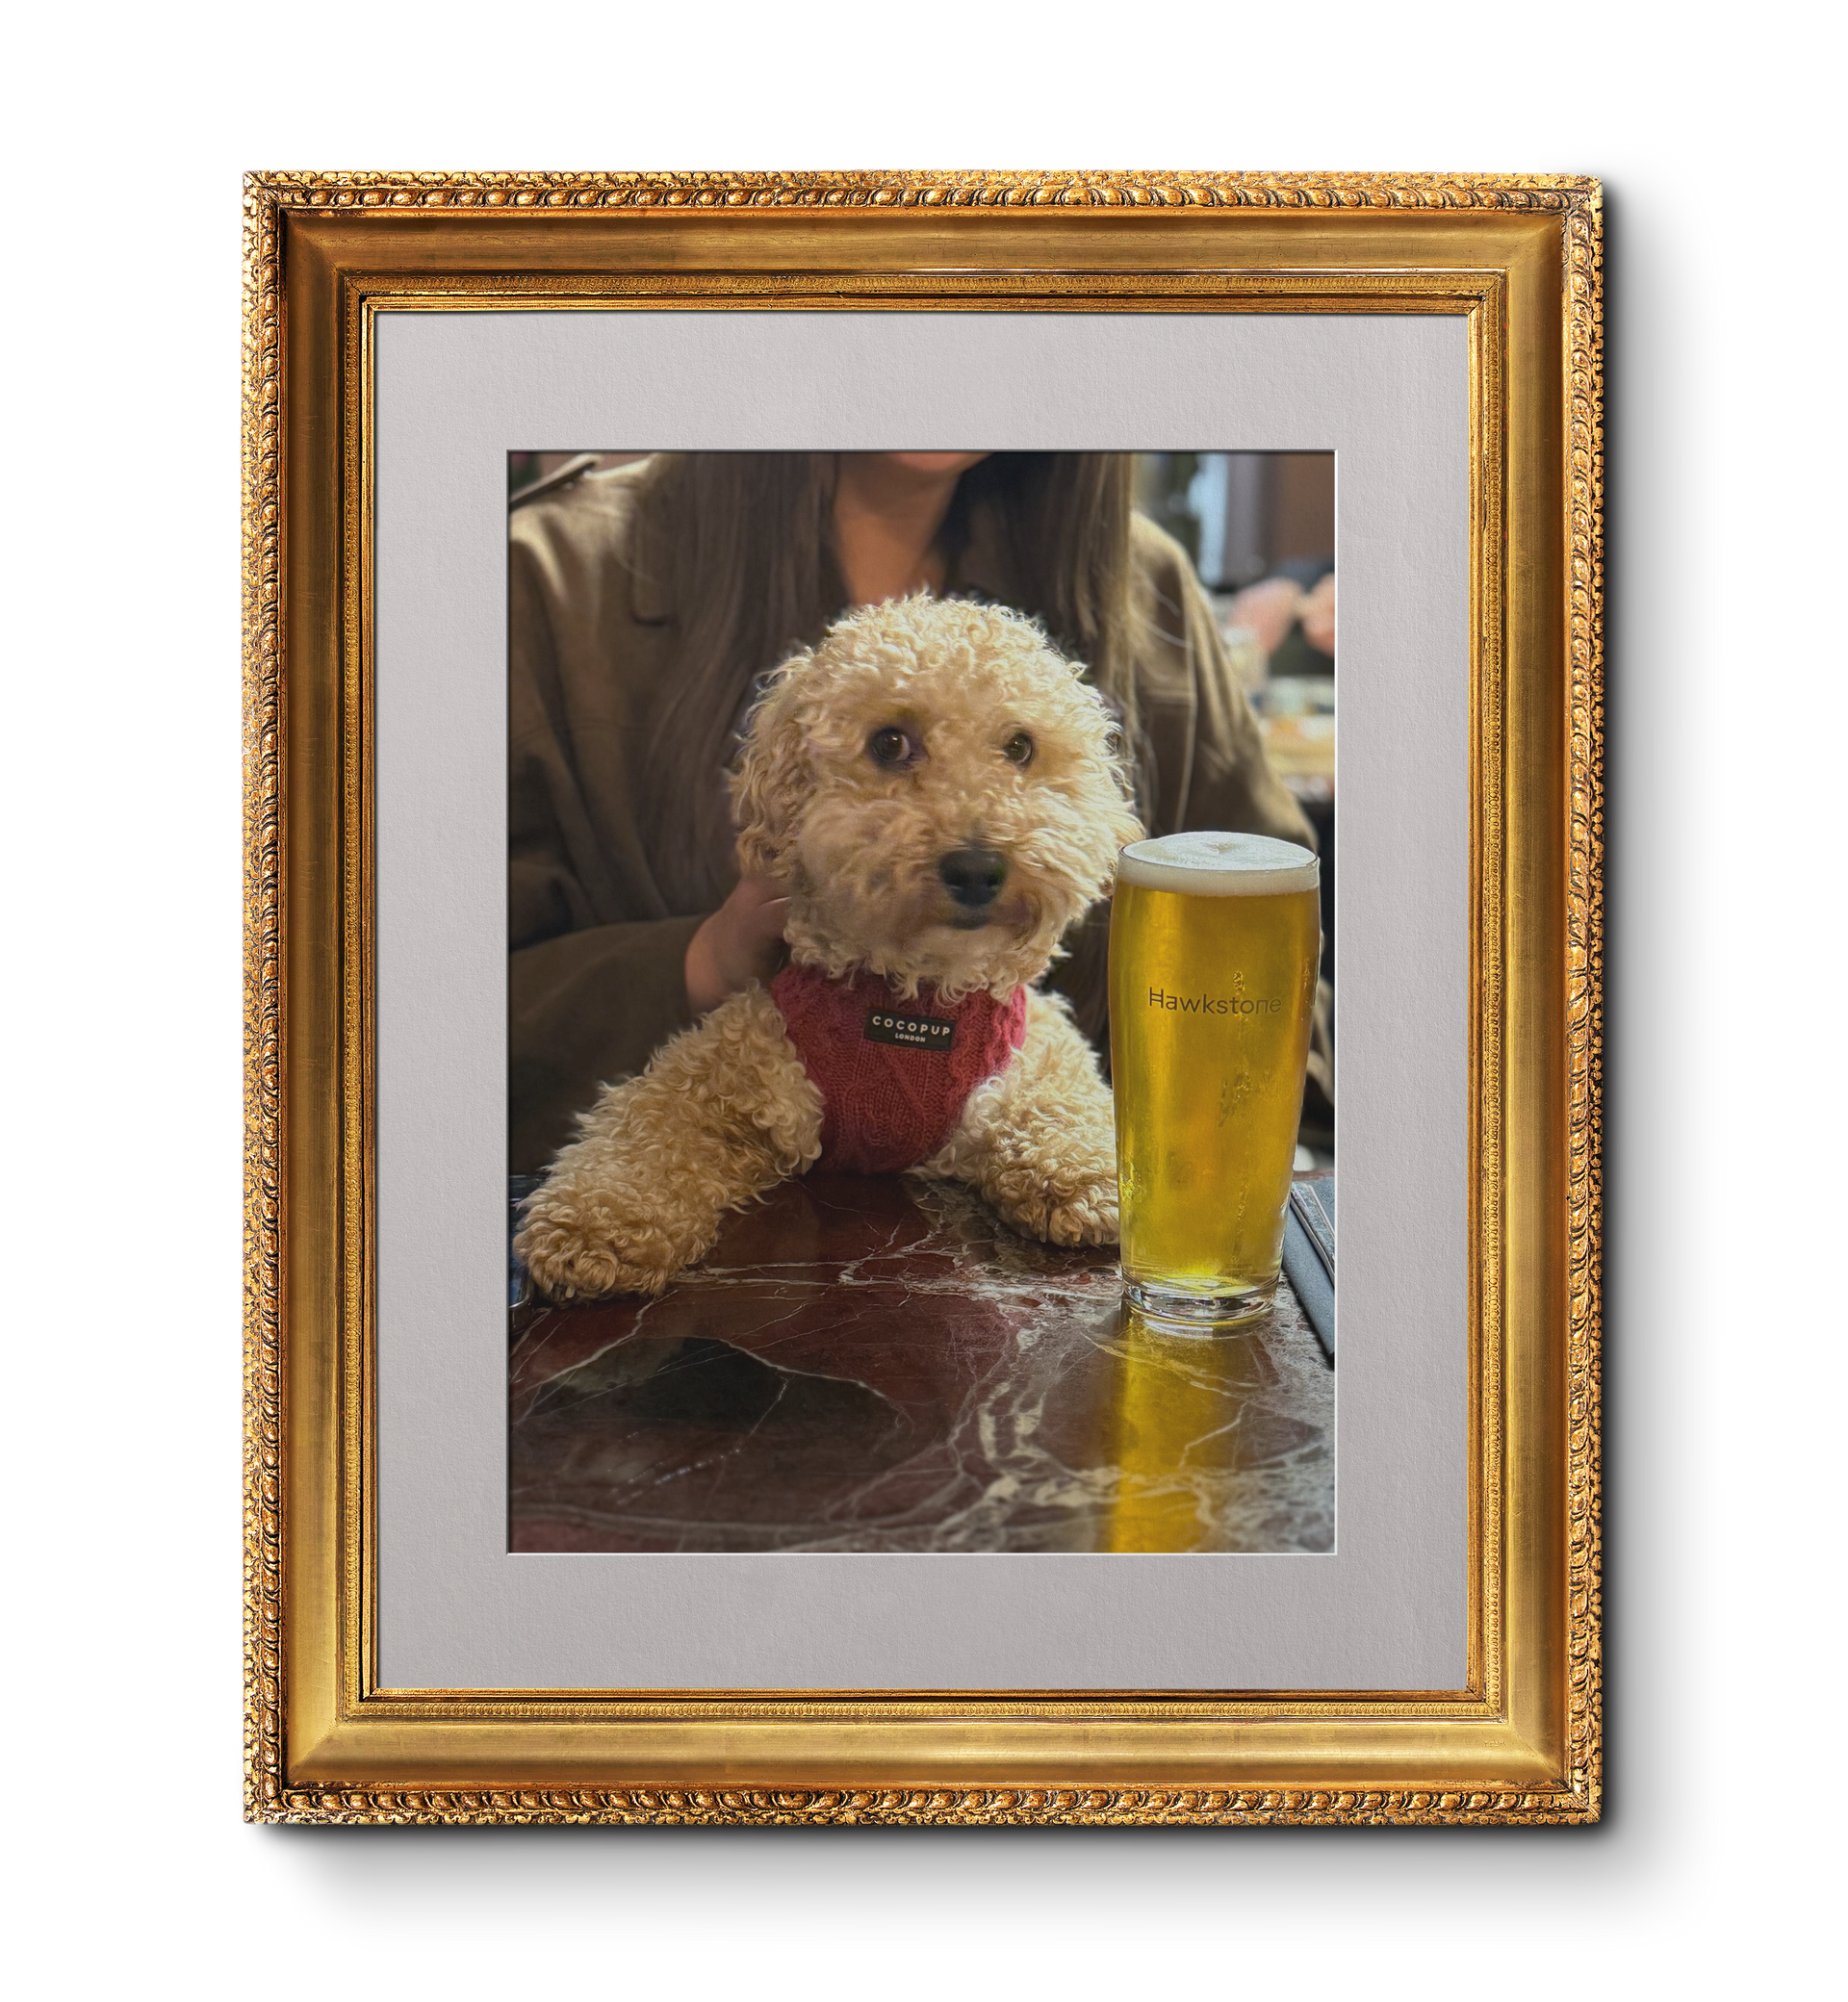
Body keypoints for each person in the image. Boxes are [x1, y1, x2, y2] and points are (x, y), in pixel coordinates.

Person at [509, 451, 1326, 1174]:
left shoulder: (1144, 587)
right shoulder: (547, 578)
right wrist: (702, 961)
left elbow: (1281, 980)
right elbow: (408, 1023)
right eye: (892, 747)